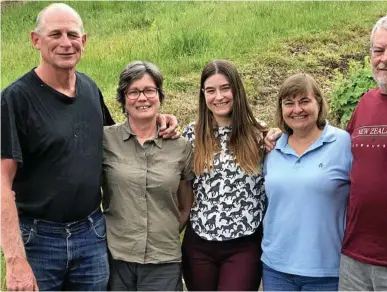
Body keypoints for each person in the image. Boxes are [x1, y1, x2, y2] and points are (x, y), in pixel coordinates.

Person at [265, 13, 387, 291]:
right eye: (378, 50)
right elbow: (328, 153)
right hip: (353, 261)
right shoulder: (367, 102)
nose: (385, 58)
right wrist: (279, 134)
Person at [1, 3, 178, 291]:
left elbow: (120, 137)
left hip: (91, 235)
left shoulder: (89, 90)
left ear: (83, 41)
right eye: (55, 34)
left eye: (72, 34)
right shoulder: (14, 100)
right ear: (36, 40)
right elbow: (2, 182)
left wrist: (159, 120)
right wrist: (14, 260)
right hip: (39, 239)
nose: (65, 43)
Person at [102, 61, 194, 291]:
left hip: (163, 261)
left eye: (149, 90)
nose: (142, 98)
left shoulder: (181, 147)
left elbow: (186, 205)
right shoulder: (105, 140)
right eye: (133, 92)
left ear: (159, 96)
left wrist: (166, 231)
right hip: (116, 258)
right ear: (123, 99)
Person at [181, 59, 266, 291]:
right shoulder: (191, 134)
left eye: (225, 88)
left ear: (236, 90)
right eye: (211, 90)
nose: (218, 96)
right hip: (199, 243)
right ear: (203, 95)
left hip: (244, 243)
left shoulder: (259, 134)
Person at [262, 73, 352, 291]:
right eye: (289, 103)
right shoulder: (271, 148)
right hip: (276, 268)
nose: (297, 109)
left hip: (326, 270)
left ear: (319, 104)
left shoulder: (342, 142)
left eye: (304, 101)